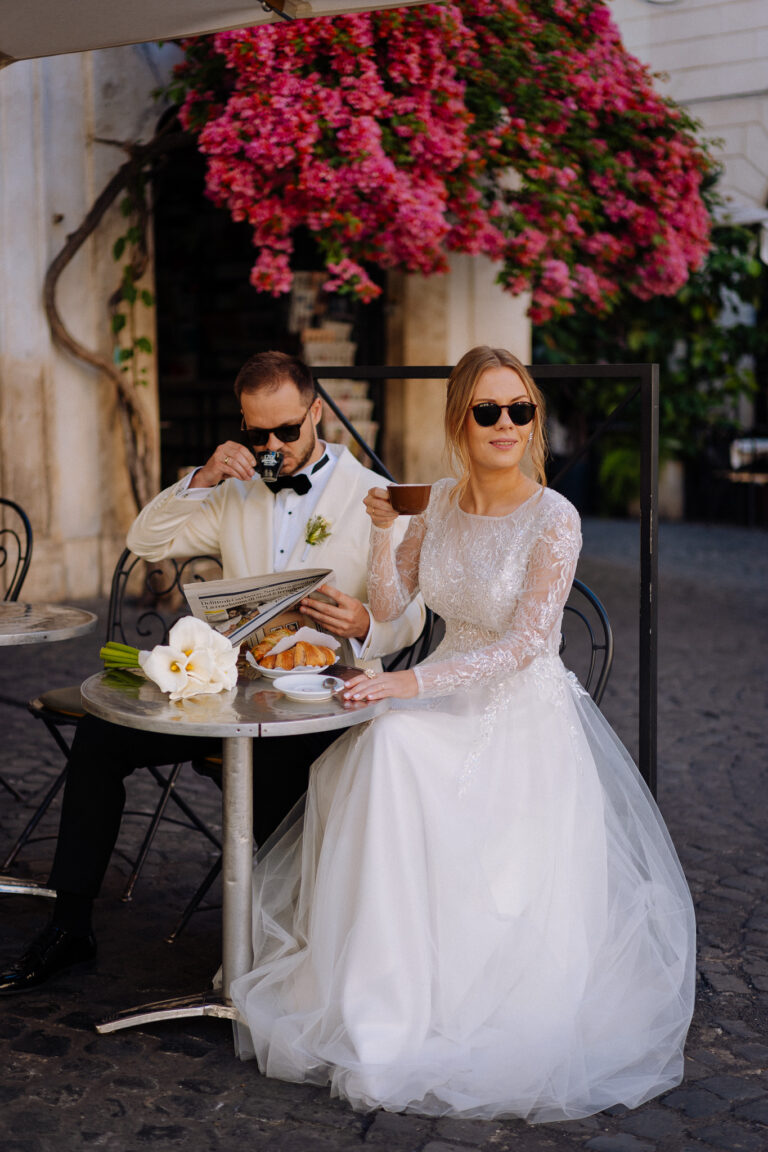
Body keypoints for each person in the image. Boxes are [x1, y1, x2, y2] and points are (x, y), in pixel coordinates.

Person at [228, 346, 696, 1122]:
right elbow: (392, 607)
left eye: (521, 410)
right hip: (439, 695)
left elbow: (522, 646)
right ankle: (377, 995)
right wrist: (383, 532)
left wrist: (407, 683)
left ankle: (426, 1001)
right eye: (488, 410)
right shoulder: (439, 502)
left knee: (394, 744)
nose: (506, 424)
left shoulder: (555, 517)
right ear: (460, 421)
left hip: (516, 713)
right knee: (376, 750)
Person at [0, 351, 424, 996]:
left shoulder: (373, 497)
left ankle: (266, 950)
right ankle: (69, 925)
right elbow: (146, 544)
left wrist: (364, 621)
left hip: (317, 704)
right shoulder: (236, 490)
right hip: (228, 690)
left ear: (317, 412)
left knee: (276, 779)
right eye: (260, 434)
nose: (275, 446)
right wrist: (201, 477)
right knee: (98, 740)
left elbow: (411, 620)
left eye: (288, 430)